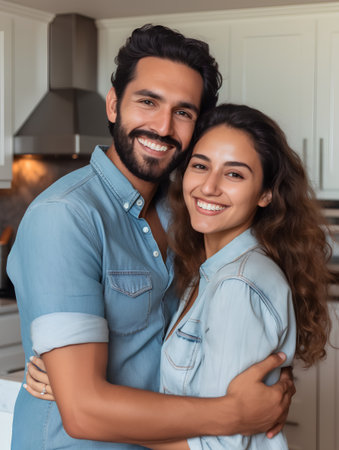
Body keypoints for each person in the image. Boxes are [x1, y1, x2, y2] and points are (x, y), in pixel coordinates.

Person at [8, 25, 295, 450]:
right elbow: (84, 411)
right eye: (148, 102)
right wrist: (236, 414)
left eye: (183, 112)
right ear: (112, 105)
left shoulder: (186, 213)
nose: (162, 126)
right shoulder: (66, 217)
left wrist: (271, 383)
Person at [26, 103, 332, 449]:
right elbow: (191, 393)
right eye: (200, 166)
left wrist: (91, 411)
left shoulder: (237, 285)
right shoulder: (205, 270)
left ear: (266, 193)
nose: (209, 187)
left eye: (234, 174)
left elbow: (220, 445)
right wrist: (77, 389)